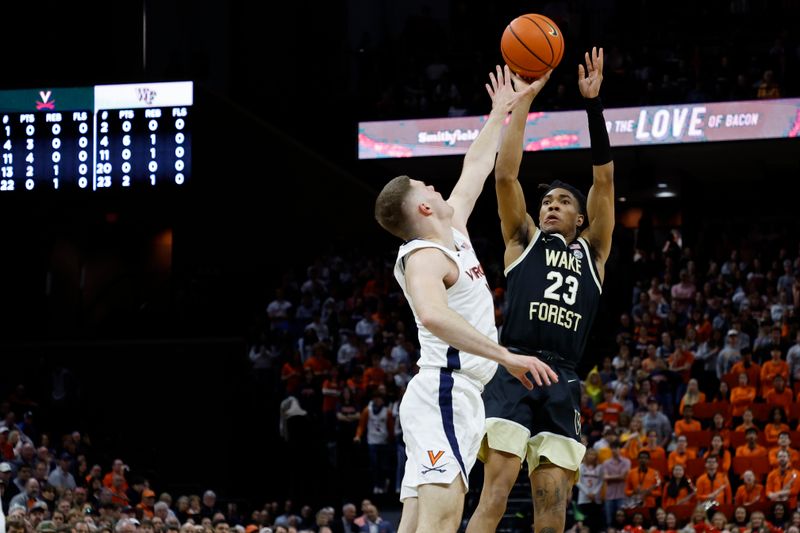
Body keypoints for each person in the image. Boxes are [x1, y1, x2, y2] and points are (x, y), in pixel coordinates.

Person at [374, 65, 558, 533]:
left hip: (457, 394)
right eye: (425, 187)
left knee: (420, 521)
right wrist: (505, 356)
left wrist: (503, 110)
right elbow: (434, 316)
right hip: (443, 390)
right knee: (442, 516)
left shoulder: (452, 233)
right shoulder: (422, 255)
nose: (434, 186)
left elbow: (476, 166)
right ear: (421, 207)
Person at [467, 47, 615, 533]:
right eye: (546, 200)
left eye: (562, 202)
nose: (551, 205)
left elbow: (604, 180)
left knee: (552, 511)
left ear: (580, 217)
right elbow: (506, 174)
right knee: (495, 493)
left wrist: (592, 105)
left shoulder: (593, 253)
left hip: (564, 377)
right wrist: (525, 102)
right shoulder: (522, 239)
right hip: (514, 366)